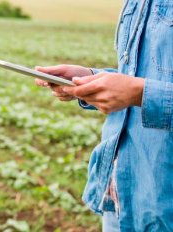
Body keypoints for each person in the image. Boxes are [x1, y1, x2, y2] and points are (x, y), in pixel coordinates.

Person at [35, 0, 173, 231]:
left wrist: (139, 93)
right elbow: (140, 76)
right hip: (123, 195)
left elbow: (139, 88)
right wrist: (91, 78)